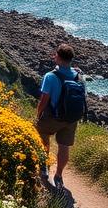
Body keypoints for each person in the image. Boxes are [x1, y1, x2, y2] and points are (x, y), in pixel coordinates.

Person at [34, 43, 84, 187]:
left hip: (53, 117)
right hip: (70, 118)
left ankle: (44, 168)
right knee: (64, 147)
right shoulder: (79, 76)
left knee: (43, 137)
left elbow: (44, 99)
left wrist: (38, 115)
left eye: (55, 54)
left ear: (60, 58)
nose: (53, 56)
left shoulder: (50, 76)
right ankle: (59, 175)